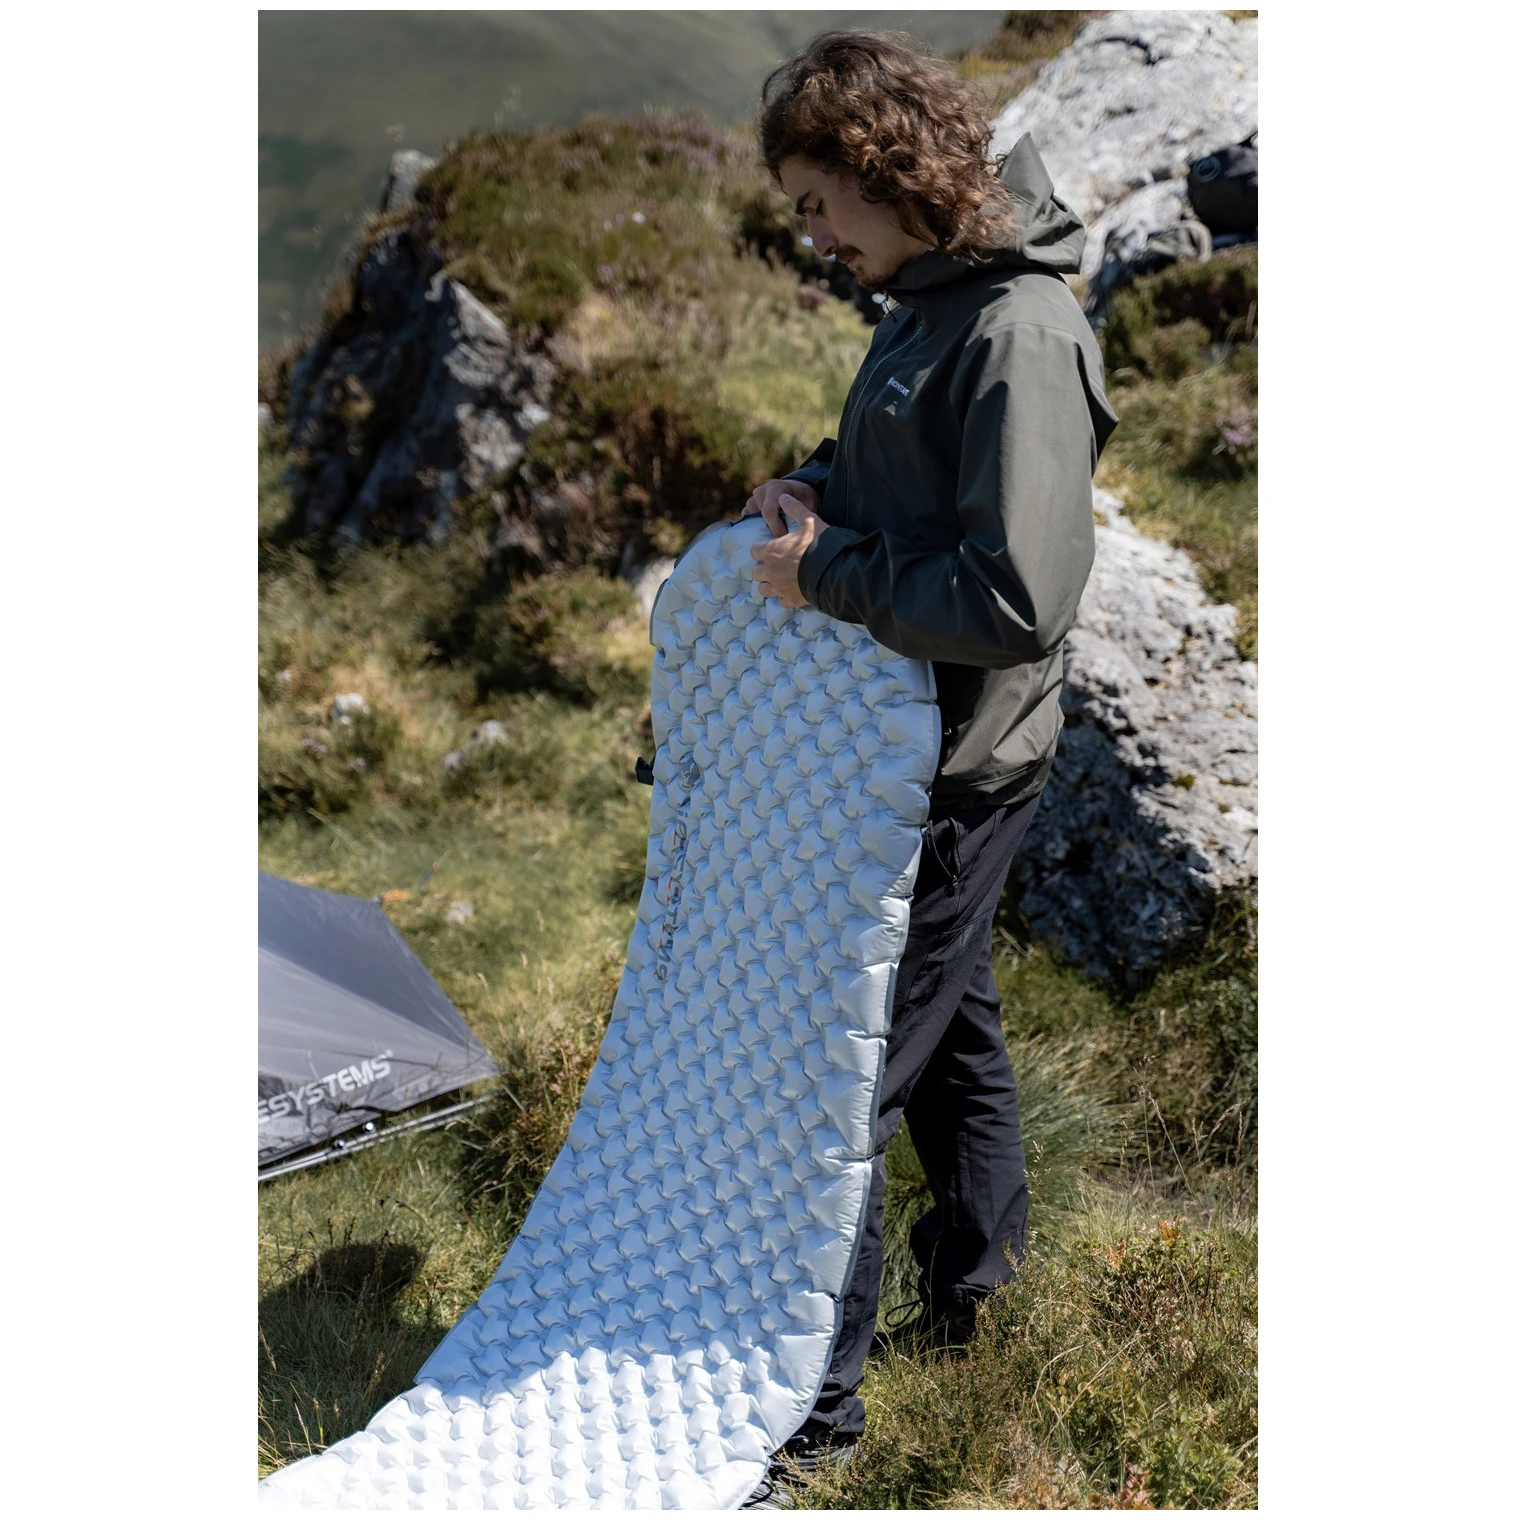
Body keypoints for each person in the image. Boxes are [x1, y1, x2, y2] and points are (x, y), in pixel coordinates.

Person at [737, 29, 1119, 1504]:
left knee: (853, 1080)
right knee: (949, 1031)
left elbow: (1018, 596)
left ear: (887, 171)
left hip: (957, 762)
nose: (815, 240)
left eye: (820, 205)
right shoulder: (925, 300)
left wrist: (828, 575)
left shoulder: (1017, 331)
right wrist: (816, 485)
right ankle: (978, 1303)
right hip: (897, 747)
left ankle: (811, 1418)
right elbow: (910, 481)